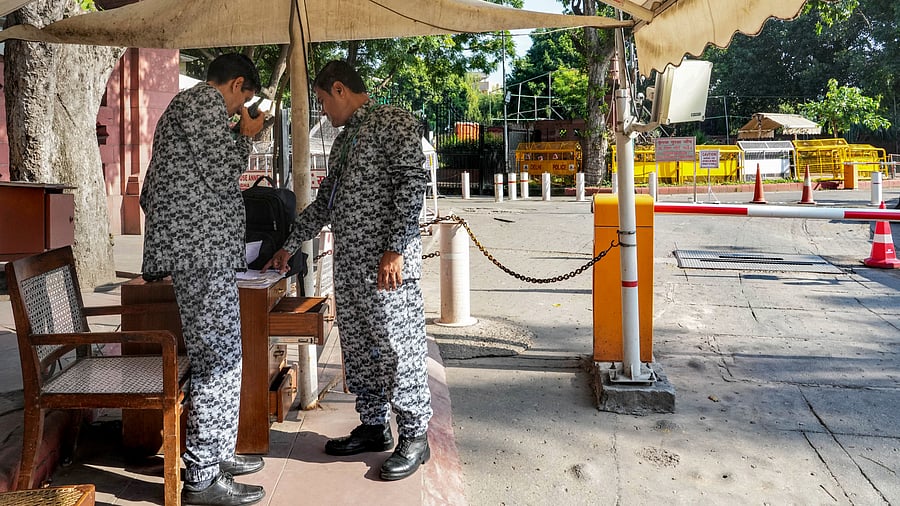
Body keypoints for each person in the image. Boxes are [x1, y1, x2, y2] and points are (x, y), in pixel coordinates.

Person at [264, 60, 432, 481]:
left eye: (322, 101)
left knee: (398, 348)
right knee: (360, 348)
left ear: (340, 89)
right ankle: (374, 426)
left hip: (386, 267)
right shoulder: (345, 140)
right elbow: (324, 203)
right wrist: (288, 245)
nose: (323, 112)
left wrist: (395, 248)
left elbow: (412, 184)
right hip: (352, 268)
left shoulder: (390, 121)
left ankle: (415, 435)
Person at [140, 53, 267, 506]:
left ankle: (214, 452)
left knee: (220, 354)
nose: (241, 111)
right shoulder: (204, 106)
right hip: (201, 254)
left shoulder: (185, 110)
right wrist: (246, 138)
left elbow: (149, 189)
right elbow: (221, 173)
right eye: (244, 101)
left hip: (197, 251)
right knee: (221, 358)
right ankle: (202, 476)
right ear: (235, 85)